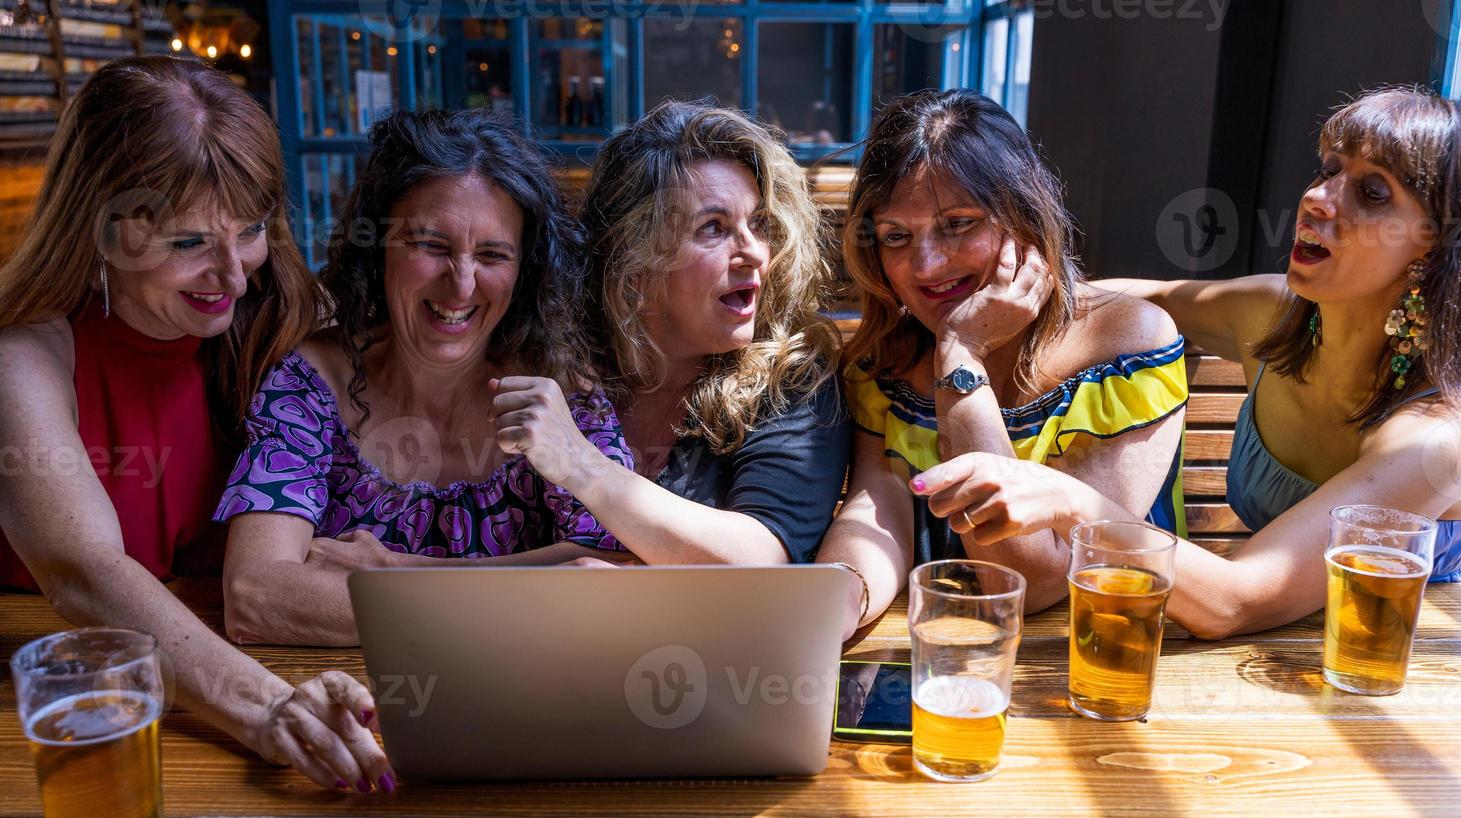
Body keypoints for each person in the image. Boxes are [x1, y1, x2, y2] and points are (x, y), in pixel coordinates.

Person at [0, 57, 390, 792]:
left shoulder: (283, 317)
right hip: (77, 736)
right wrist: (271, 708)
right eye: (188, 244)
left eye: (250, 232)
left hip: (251, 693)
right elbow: (84, 575)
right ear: (101, 230)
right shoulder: (23, 357)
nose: (235, 277)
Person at [1037, 85, 1461, 638]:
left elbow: (1236, 602)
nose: (1318, 198)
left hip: (1398, 674)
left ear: (1433, 248)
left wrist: (1072, 502)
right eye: (1328, 170)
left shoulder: (1435, 436)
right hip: (1270, 660)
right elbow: (1144, 298)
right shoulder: (1271, 315)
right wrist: (996, 298)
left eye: (1373, 191)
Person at [216, 109, 634, 647]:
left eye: (492, 255)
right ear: (379, 248)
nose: (461, 284)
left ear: (523, 271)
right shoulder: (307, 385)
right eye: (431, 246)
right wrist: (533, 596)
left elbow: (620, 568)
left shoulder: (564, 395)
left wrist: (395, 572)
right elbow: (255, 596)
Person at [815, 89, 1187, 632]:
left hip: (1100, 651)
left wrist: (961, 353)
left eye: (958, 223)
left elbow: (1032, 580)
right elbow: (880, 508)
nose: (927, 263)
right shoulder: (884, 361)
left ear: (1022, 213)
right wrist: (837, 602)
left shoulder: (1128, 340)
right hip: (952, 651)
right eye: (897, 236)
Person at [491, 100, 850, 564]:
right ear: (634, 260)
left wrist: (577, 462)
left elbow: (760, 560)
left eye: (758, 224)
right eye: (714, 228)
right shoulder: (559, 356)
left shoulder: (793, 375)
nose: (755, 253)